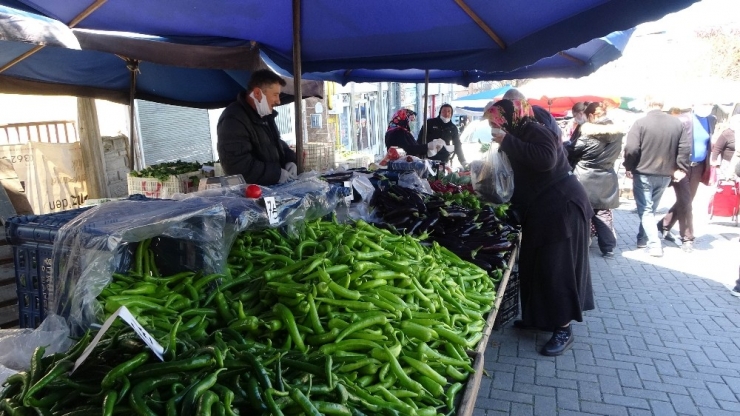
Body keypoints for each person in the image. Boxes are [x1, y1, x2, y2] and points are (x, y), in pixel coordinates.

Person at [485, 99, 594, 357]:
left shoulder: (535, 130)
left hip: (562, 207)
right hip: (540, 208)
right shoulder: (519, 133)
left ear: (507, 118)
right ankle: (539, 317)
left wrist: (507, 141)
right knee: (535, 265)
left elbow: (545, 160)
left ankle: (563, 328)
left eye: (494, 122)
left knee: (558, 268)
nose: (493, 128)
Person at [623, 96, 690, 257]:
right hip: (665, 173)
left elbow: (631, 148)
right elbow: (684, 148)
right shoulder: (676, 123)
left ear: (647, 104)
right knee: (650, 209)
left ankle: (654, 244)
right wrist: (681, 167)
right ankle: (642, 239)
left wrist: (629, 166)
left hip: (644, 172)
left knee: (646, 210)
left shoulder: (641, 123)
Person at [217, 69, 297, 185]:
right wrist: (276, 174)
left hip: (273, 191)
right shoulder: (233, 119)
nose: (278, 101)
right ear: (257, 93)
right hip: (252, 198)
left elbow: (276, 143)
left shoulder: (264, 115)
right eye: (275, 95)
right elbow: (237, 165)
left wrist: (290, 160)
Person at [567, 102, 625, 258]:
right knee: (603, 212)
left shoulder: (588, 133)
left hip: (585, 177)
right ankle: (608, 247)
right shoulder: (617, 133)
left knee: (583, 212)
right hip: (606, 176)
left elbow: (572, 151)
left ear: (591, 115)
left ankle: (583, 244)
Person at [658, 107, 712, 253]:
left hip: (698, 167)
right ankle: (687, 238)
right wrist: (673, 168)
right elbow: (670, 145)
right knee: (686, 203)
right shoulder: (682, 120)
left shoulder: (710, 120)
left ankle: (664, 224)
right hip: (681, 167)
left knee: (686, 201)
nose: (707, 106)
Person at [711, 114, 739, 178]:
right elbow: (717, 147)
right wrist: (714, 160)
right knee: (727, 183)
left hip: (738, 163)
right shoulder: (727, 133)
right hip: (728, 163)